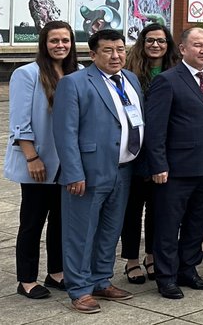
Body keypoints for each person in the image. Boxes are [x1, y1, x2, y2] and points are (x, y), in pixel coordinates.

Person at [53, 28, 143, 312]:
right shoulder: (74, 83)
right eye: (108, 50)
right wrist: (73, 172)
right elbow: (65, 132)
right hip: (89, 172)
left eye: (120, 49)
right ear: (92, 54)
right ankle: (79, 289)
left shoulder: (130, 79)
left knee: (110, 229)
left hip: (124, 168)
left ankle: (101, 280)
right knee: (81, 232)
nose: (116, 55)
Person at [145, 27, 203, 300]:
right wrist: (158, 165)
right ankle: (166, 277)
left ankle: (188, 269)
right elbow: (155, 129)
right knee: (168, 224)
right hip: (175, 169)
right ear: (182, 49)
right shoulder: (168, 80)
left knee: (197, 222)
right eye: (198, 45)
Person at [6, 21, 75, 299]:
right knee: (33, 221)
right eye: (54, 41)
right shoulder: (27, 74)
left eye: (65, 41)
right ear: (44, 44)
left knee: (61, 220)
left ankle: (56, 272)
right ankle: (26, 279)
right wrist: (31, 157)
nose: (60, 45)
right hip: (38, 161)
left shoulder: (76, 73)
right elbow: (20, 121)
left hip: (66, 163)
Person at [121, 24, 179, 284]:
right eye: (150, 40)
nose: (156, 45)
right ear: (142, 43)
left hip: (165, 150)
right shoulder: (129, 72)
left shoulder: (175, 71)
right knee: (132, 209)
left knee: (158, 208)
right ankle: (131, 260)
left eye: (162, 41)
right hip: (135, 150)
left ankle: (152, 256)